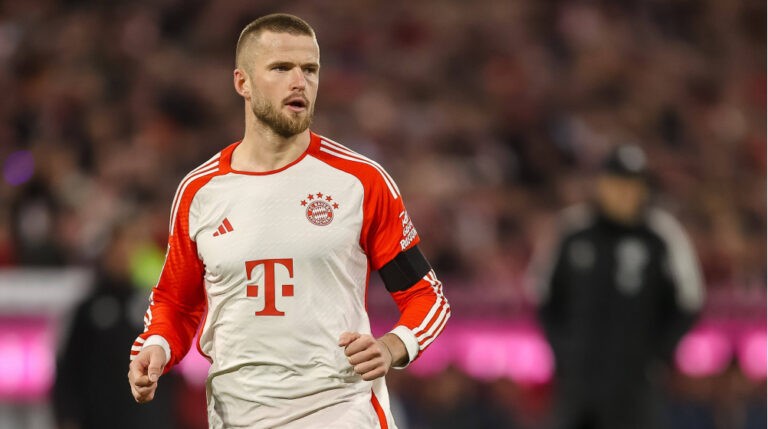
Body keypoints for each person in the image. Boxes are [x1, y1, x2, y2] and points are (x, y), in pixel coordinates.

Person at [127, 13, 449, 429]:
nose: (300, 82)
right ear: (242, 83)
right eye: (281, 68)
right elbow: (176, 302)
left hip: (340, 411)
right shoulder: (200, 191)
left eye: (310, 69)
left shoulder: (360, 181)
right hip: (237, 415)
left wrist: (392, 346)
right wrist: (156, 345)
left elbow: (426, 296)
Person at [533, 144, 705, 429]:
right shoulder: (573, 231)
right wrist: (564, 352)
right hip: (579, 379)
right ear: (600, 185)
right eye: (616, 183)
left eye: (632, 185)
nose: (624, 193)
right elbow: (544, 294)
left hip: (636, 381)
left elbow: (689, 300)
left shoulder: (661, 235)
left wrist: (658, 355)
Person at [54, 225, 177, 429]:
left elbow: (166, 372)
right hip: (97, 418)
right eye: (118, 249)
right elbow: (69, 369)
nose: (123, 255)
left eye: (129, 248)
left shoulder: (151, 307)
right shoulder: (88, 310)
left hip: (142, 420)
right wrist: (68, 416)